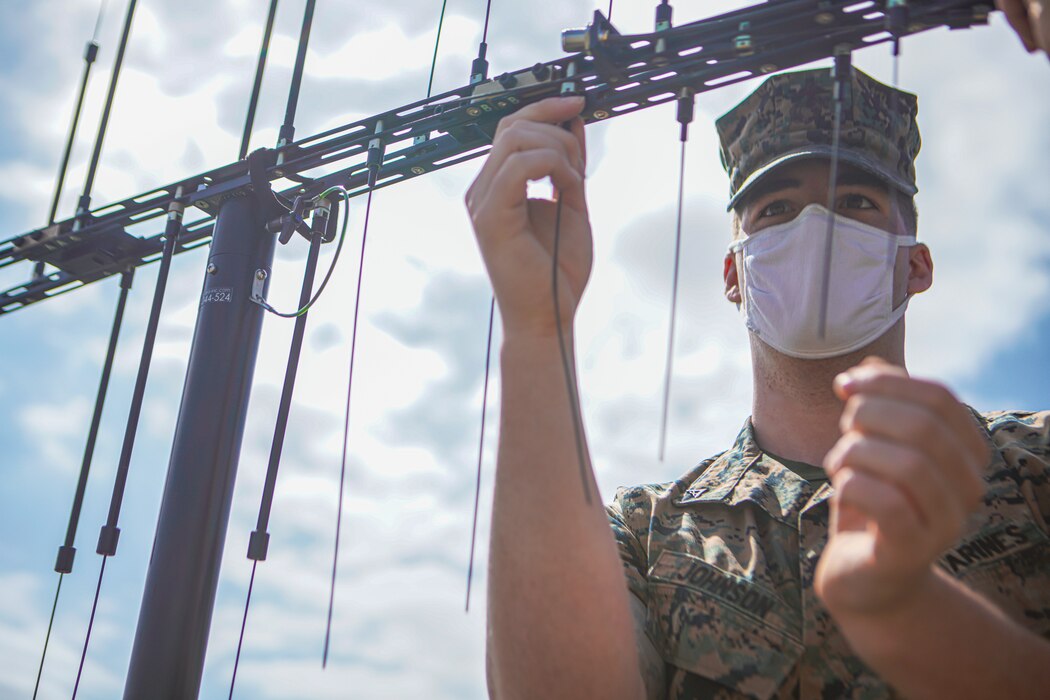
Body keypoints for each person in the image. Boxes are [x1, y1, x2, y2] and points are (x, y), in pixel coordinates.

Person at [465, 7, 1050, 699]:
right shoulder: (648, 535)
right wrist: (538, 329)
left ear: (915, 265)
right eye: (775, 210)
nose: (816, 226)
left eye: (856, 201)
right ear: (734, 275)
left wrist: (911, 615)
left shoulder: (1034, 467)